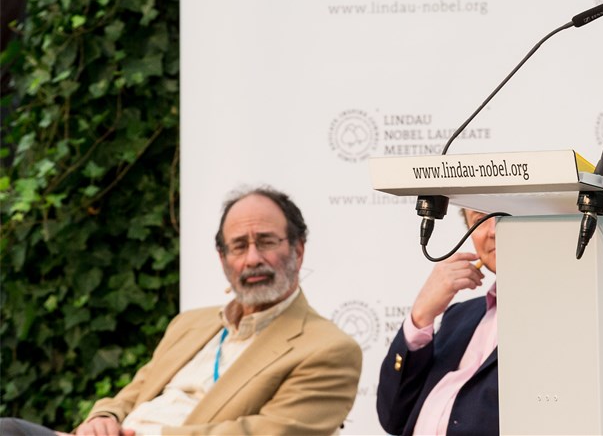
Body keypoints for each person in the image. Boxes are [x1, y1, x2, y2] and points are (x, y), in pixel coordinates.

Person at [1, 186, 362, 436]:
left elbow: (265, 433)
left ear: (298, 250)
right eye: (238, 246)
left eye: (266, 242)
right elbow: (132, 394)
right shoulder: (190, 324)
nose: (253, 259)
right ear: (223, 259)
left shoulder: (327, 349)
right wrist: (105, 417)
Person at [377, 208, 498, 435]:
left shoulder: (566, 317)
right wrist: (421, 316)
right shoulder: (459, 316)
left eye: (504, 214)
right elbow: (393, 417)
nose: (492, 231)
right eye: (479, 220)